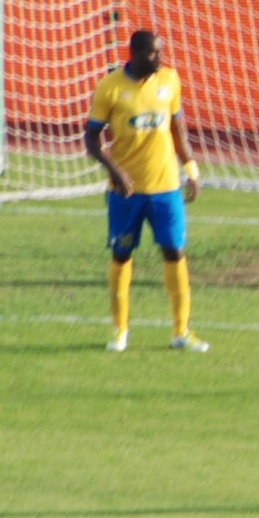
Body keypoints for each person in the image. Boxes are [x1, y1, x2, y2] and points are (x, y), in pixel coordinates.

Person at [85, 29, 204, 355]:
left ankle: (181, 332)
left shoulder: (170, 80)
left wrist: (190, 168)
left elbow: (177, 126)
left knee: (175, 252)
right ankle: (120, 330)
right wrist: (114, 170)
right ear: (135, 53)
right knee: (122, 255)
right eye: (153, 53)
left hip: (166, 187)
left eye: (160, 52)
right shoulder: (110, 88)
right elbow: (91, 139)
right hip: (126, 192)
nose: (159, 58)